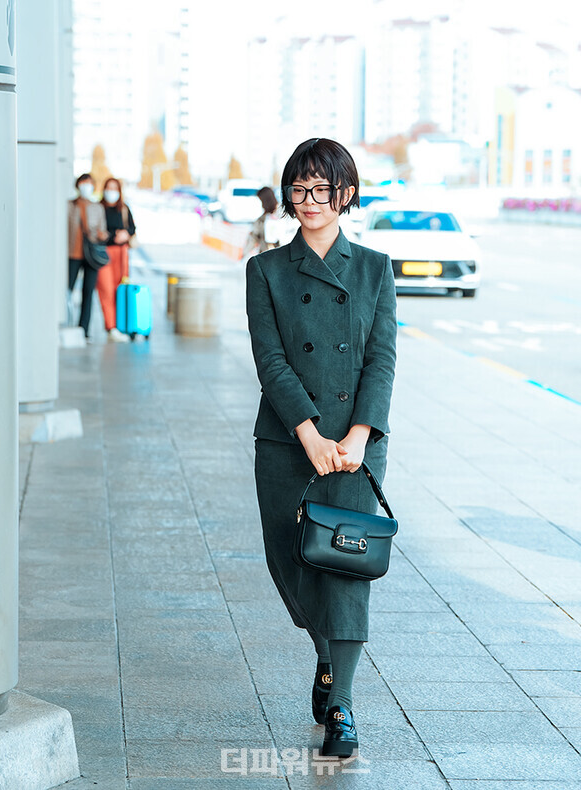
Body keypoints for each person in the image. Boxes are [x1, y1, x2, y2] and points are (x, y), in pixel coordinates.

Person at [246, 138, 397, 758]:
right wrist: (309, 434)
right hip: (289, 443)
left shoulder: (374, 267)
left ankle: (342, 705)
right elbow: (272, 361)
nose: (309, 201)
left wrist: (358, 435)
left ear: (347, 196)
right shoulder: (266, 271)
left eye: (322, 189)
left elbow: (380, 360)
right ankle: (326, 659)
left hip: (355, 451)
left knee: (345, 572)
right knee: (296, 566)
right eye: (299, 189)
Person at [68, 174, 108, 340]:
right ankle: (67, 323)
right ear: (78, 185)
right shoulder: (69, 205)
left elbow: (103, 231)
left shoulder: (97, 207)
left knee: (88, 292)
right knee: (67, 290)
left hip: (90, 254)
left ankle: (84, 328)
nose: (86, 186)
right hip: (72, 253)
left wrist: (101, 235)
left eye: (90, 183)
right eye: (84, 183)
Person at [97, 177, 137, 342]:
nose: (111, 192)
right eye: (109, 188)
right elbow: (97, 232)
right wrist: (114, 236)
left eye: (114, 188)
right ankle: (111, 326)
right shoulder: (98, 208)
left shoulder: (124, 209)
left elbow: (132, 228)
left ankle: (122, 324)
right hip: (104, 253)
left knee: (120, 289)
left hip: (122, 254)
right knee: (106, 290)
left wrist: (125, 234)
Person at [243, 186, 279, 257]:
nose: (262, 205)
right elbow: (254, 237)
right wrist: (244, 253)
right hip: (266, 258)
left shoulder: (283, 215)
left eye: (262, 201)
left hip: (281, 257)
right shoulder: (261, 220)